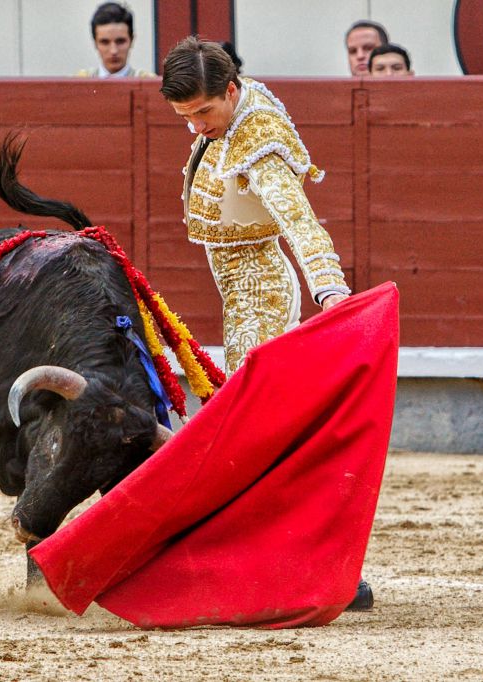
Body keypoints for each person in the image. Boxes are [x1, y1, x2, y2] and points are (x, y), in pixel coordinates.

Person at [161, 37, 372, 611]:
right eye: (184, 116)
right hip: (241, 297)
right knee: (257, 431)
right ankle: (303, 561)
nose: (196, 126)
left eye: (203, 112)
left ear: (231, 91)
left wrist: (332, 292)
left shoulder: (258, 141)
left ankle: (321, 567)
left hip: (261, 296)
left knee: (256, 434)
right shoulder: (230, 115)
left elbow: (301, 223)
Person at [75, 2, 155, 78]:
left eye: (120, 42)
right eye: (105, 42)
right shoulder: (79, 83)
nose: (113, 51)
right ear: (95, 43)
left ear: (131, 40)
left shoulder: (150, 83)